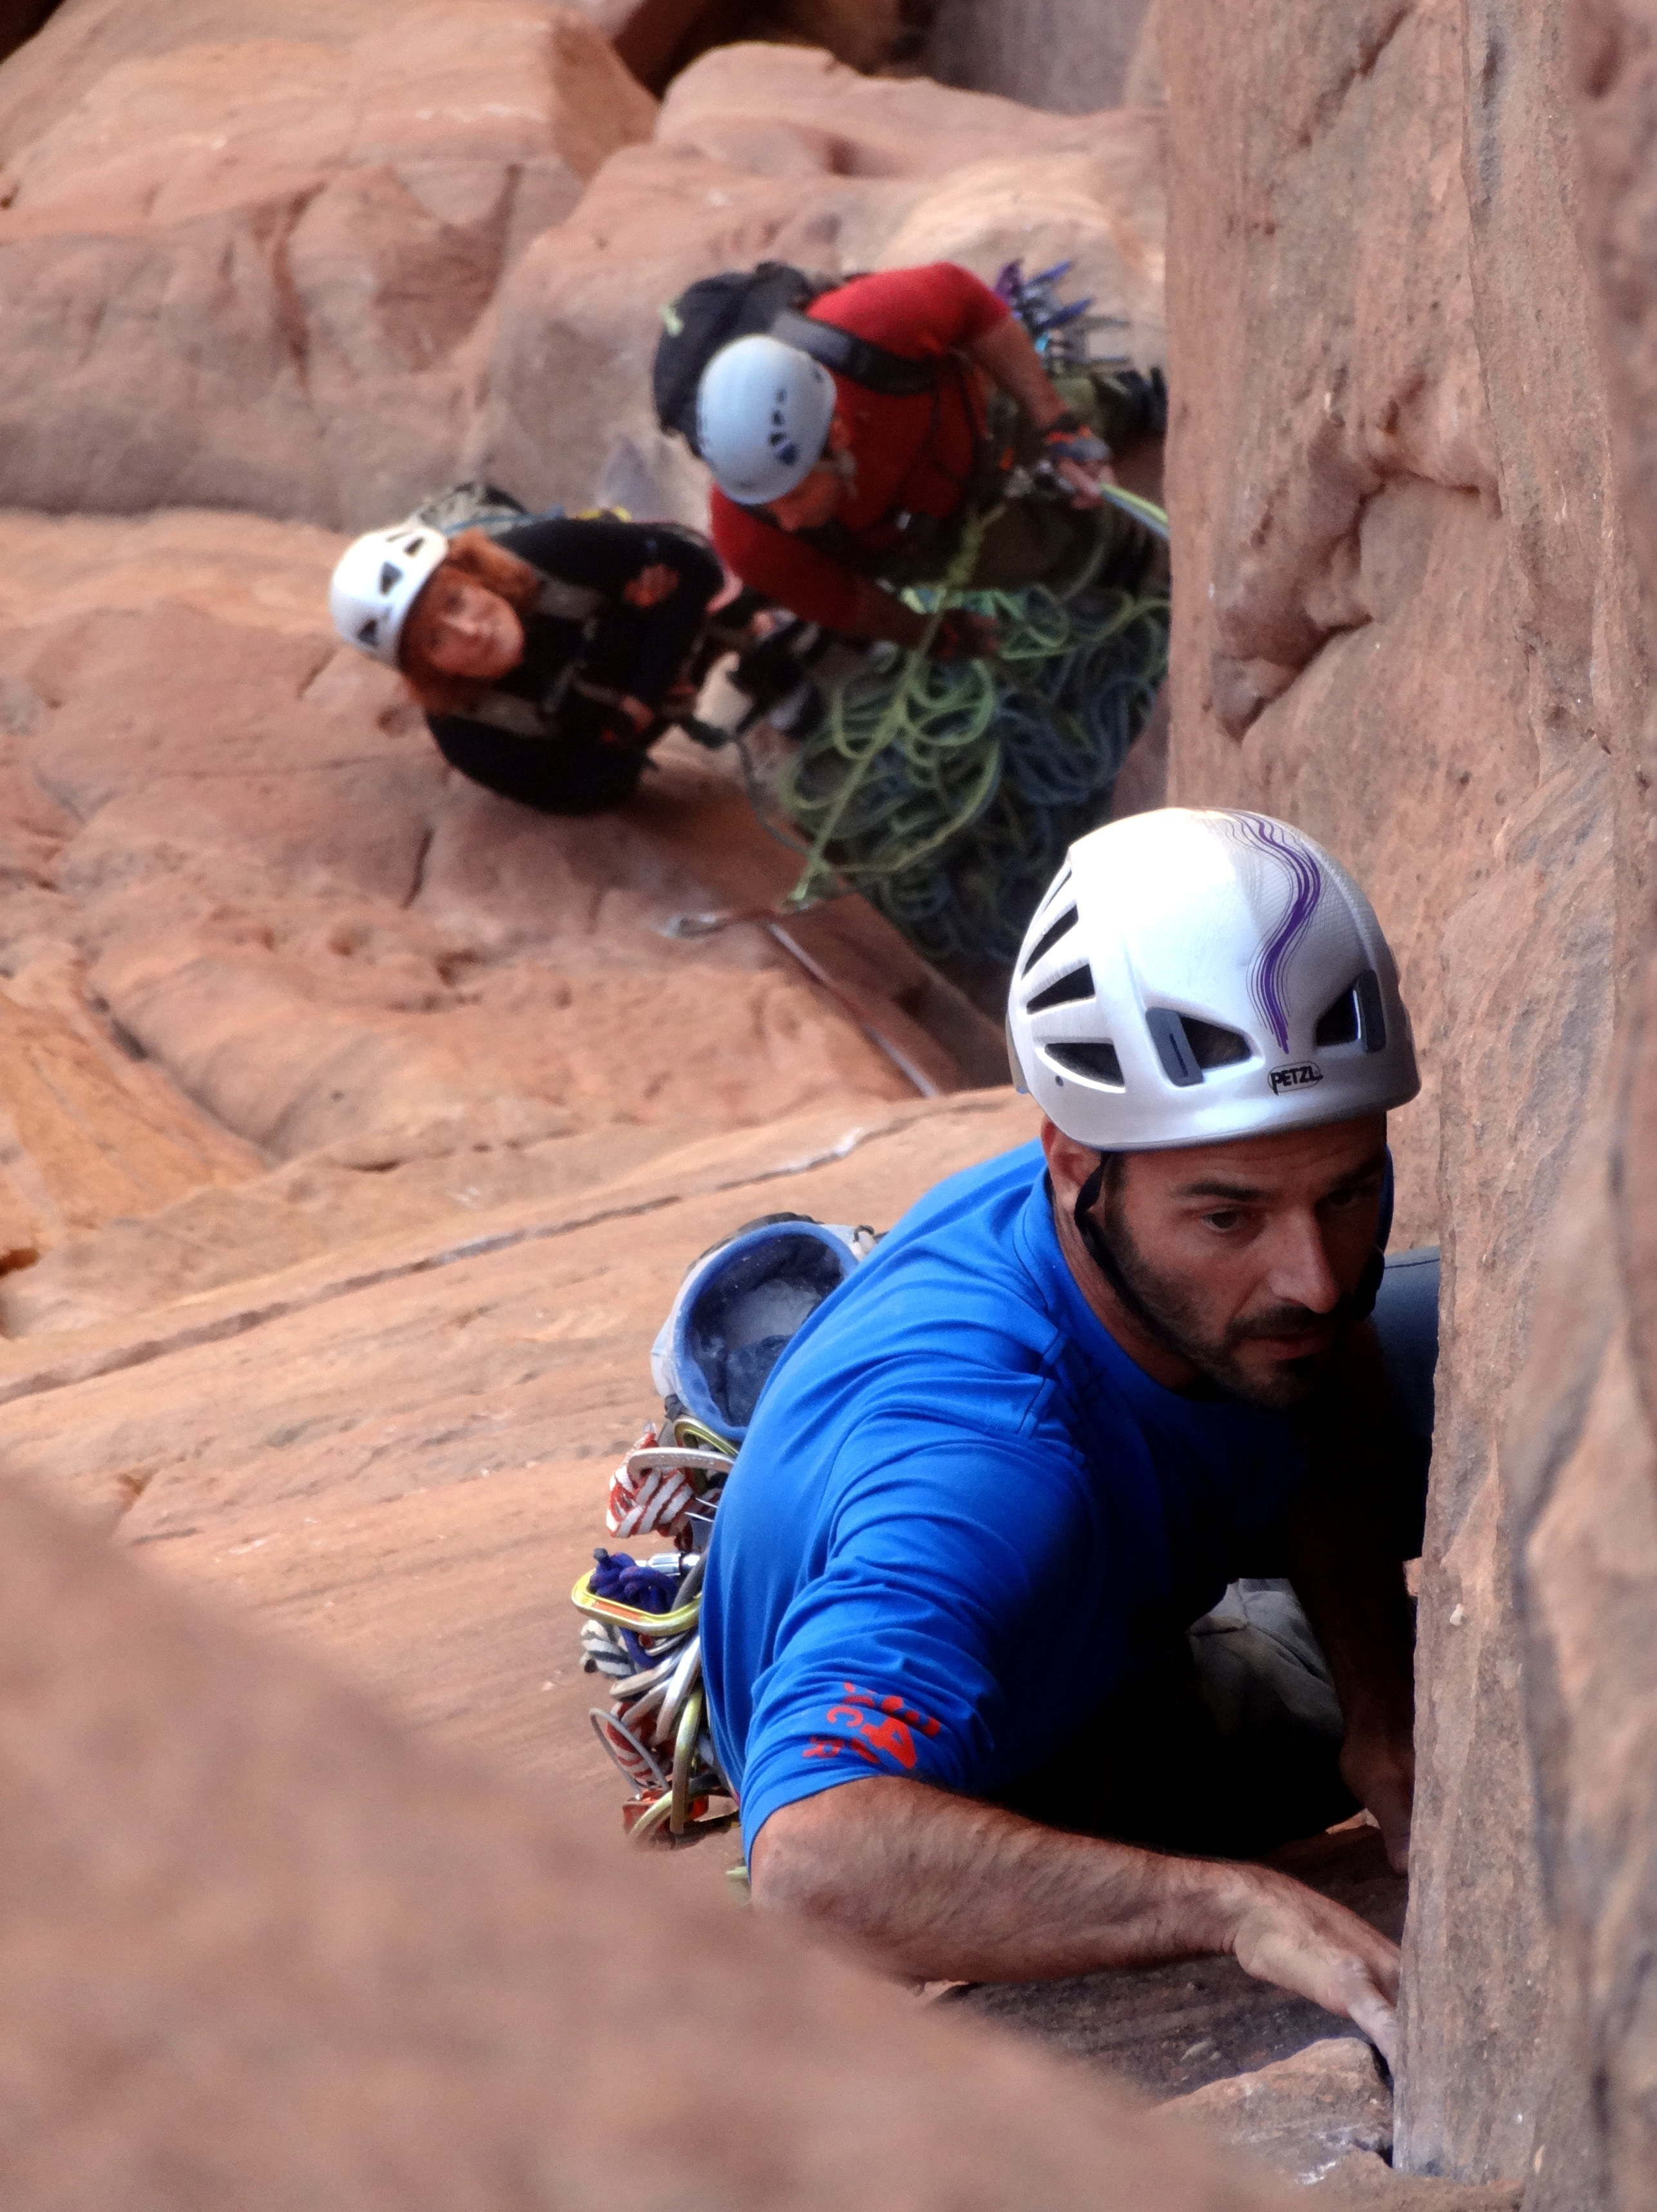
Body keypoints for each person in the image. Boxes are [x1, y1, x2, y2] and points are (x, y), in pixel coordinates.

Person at [700, 807, 1433, 2061]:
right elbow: (812, 1865)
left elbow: (1334, 1355)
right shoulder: (986, 1475)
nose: (1311, 1273)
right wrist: (1233, 1908)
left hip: (1133, 1561)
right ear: (1070, 1167)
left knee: (1531, 1332)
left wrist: (1390, 1720)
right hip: (1046, 1752)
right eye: (1228, 1216)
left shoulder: (1194, 1244)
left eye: (1346, 1190)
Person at [693, 260, 1149, 661]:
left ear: (836, 434)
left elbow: (970, 304)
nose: (788, 522)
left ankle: (1131, 402)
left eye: (796, 493)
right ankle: (1110, 559)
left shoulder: (869, 325)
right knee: (1038, 553)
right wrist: (933, 636)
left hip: (983, 421)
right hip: (925, 533)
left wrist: (1059, 425)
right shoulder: (748, 536)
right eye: (771, 504)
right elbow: (851, 602)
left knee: (1090, 410)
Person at [329, 510, 727, 815]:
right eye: (436, 639)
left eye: (457, 600)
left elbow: (699, 568)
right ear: (428, 669)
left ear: (474, 575)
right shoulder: (469, 736)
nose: (470, 630)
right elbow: (591, 792)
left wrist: (636, 701)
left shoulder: (550, 553)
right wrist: (643, 630)